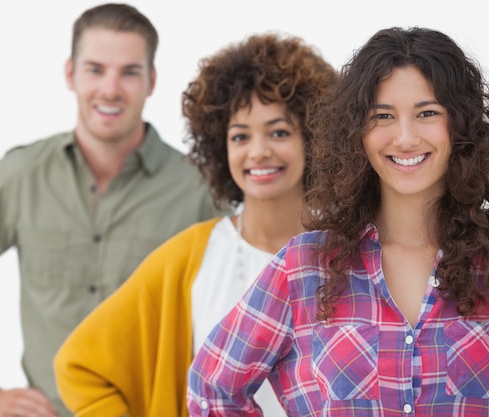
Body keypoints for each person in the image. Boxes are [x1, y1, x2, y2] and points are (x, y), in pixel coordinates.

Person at [187, 26, 489, 416]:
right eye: (382, 116)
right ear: (356, 133)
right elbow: (212, 388)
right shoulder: (304, 267)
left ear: (461, 125)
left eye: (427, 113)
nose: (405, 137)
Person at [0, 4, 223, 417]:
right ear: (70, 74)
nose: (111, 89)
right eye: (95, 69)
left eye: (129, 72)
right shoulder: (22, 175)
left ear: (151, 81)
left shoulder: (199, 188)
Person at [53, 33, 337, 417]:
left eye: (279, 132)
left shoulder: (352, 254)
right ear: (221, 147)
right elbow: (79, 365)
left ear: (315, 138)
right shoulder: (190, 258)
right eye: (240, 136)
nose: (258, 151)